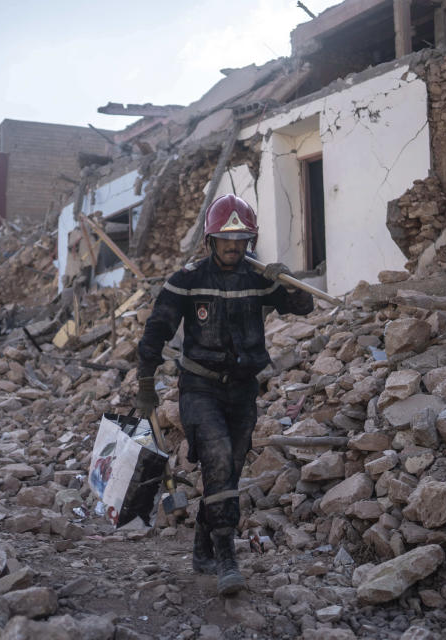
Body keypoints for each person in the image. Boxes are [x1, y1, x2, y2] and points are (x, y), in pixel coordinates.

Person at [134, 194, 314, 596]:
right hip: (200, 387)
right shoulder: (188, 279)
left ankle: (202, 547)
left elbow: (304, 307)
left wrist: (286, 280)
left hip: (243, 390)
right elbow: (155, 333)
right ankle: (226, 558)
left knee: (228, 471)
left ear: (250, 240)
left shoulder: (258, 279)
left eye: (241, 240)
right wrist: (146, 386)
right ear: (210, 240)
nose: (234, 247)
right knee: (216, 458)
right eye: (226, 240)